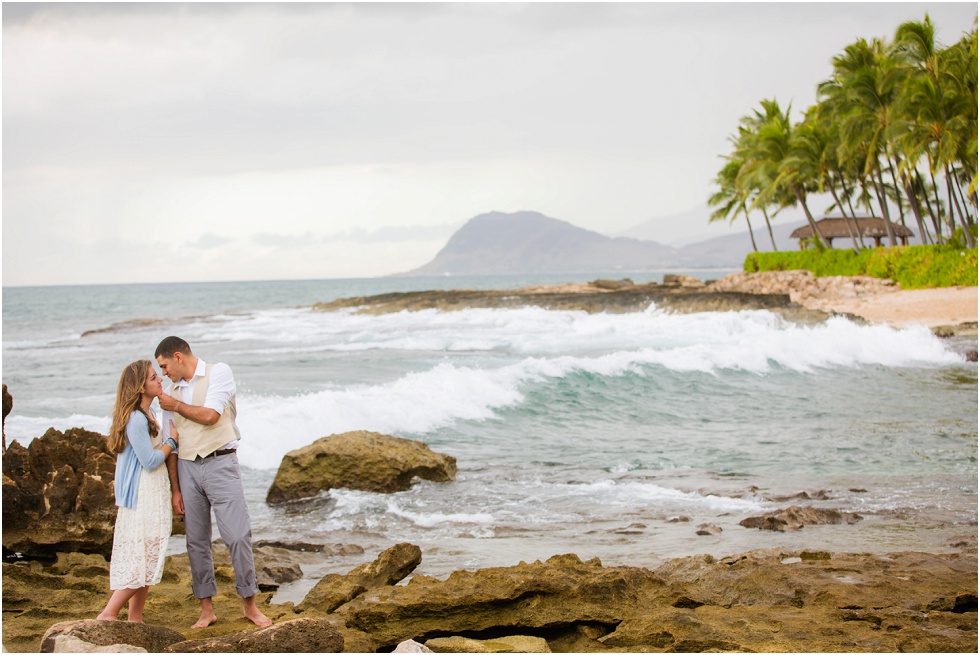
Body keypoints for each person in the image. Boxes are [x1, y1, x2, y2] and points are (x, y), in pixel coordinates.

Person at [155, 336, 272, 629]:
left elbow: (210, 416)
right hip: (187, 467)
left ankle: (249, 604)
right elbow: (173, 440)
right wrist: (176, 489)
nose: (164, 373)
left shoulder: (218, 372)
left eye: (165, 366)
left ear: (178, 357)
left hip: (221, 461)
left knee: (236, 535)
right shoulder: (170, 392)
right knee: (196, 541)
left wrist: (176, 405)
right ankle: (206, 610)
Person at [98, 360, 179, 622]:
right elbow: (150, 460)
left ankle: (136, 619)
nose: (160, 380)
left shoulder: (148, 413)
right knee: (144, 557)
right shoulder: (135, 419)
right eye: (154, 377)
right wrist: (171, 442)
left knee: (147, 556)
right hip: (144, 493)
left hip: (153, 490)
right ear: (140, 387)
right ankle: (109, 613)